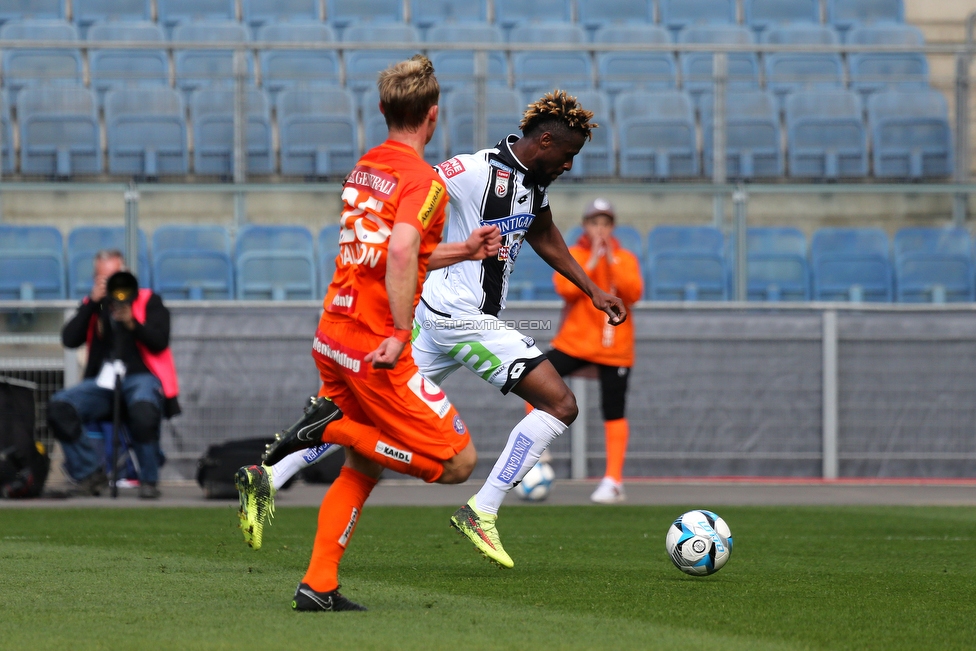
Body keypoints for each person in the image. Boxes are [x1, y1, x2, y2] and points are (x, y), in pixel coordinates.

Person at [245, 90, 627, 571]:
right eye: (568, 155)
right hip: (459, 316)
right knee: (561, 403)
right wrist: (370, 189)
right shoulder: (474, 170)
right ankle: (481, 509)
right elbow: (422, 181)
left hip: (435, 317)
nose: (570, 165)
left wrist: (592, 289)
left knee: (371, 417)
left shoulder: (534, 183)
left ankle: (268, 477)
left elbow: (543, 233)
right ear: (546, 141)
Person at [258, 55, 502, 613]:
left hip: (333, 332)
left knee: (366, 466)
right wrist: (398, 330)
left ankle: (318, 584)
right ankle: (332, 428)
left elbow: (398, 250)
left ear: (382, 110)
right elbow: (398, 251)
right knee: (457, 464)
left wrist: (465, 249)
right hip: (375, 343)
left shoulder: (366, 167)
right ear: (433, 116)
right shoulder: (427, 181)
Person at [47, 250, 180, 499]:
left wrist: (132, 323)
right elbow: (69, 338)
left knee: (143, 409)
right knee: (60, 406)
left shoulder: (149, 300)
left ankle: (148, 480)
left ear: (126, 273)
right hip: (102, 383)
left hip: (141, 377)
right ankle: (90, 473)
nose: (111, 283)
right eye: (103, 277)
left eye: (114, 276)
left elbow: (160, 341)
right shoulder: (96, 306)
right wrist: (90, 303)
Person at [547, 198, 642, 503]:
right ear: (585, 226)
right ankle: (539, 453)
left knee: (613, 410)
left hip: (615, 348)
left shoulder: (624, 258)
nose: (600, 229)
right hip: (576, 341)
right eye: (594, 223)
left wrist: (610, 259)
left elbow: (633, 293)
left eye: (605, 223)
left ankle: (613, 480)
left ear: (612, 227)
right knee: (533, 377)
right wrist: (591, 262)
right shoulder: (574, 255)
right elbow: (565, 289)